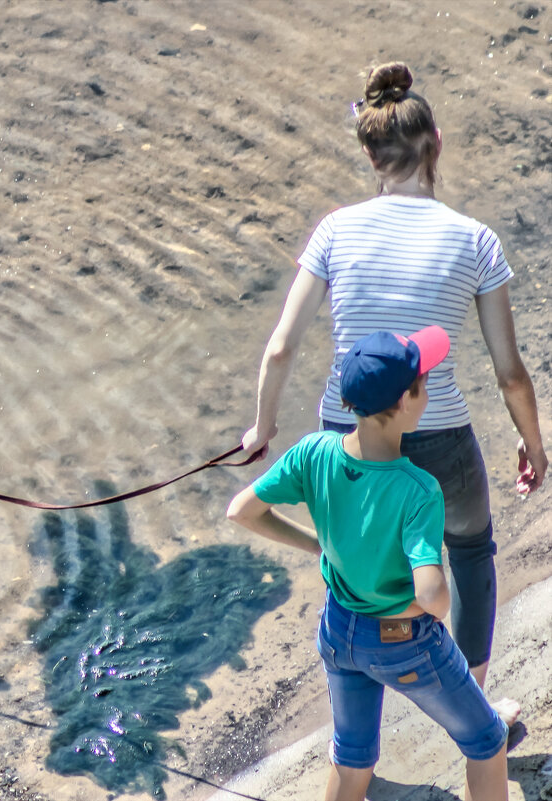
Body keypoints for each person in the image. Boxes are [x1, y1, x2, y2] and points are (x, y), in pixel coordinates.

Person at [240, 62, 547, 710]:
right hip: (437, 432)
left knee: (352, 563)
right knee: (467, 550)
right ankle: (474, 702)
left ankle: (354, 733)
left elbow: (280, 346)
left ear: (368, 153)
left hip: (345, 431)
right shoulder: (476, 241)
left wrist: (262, 428)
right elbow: (508, 370)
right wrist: (532, 442)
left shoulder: (333, 230)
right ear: (434, 142)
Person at [228, 326, 507, 801]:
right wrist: (428, 593)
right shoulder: (417, 489)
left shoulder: (312, 453)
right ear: (403, 402)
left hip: (338, 632)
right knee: (487, 741)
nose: (427, 391)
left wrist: (319, 545)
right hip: (405, 644)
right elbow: (433, 599)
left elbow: (242, 511)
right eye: (422, 384)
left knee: (353, 756)